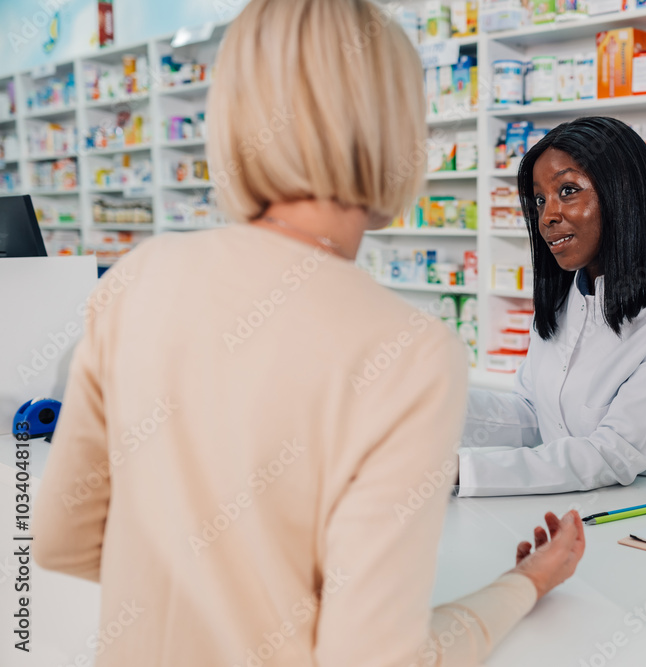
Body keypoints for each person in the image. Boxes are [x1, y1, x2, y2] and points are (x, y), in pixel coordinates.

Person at [32, 0, 584, 664]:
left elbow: (62, 536)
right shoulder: (408, 350)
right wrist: (523, 583)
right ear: (394, 131)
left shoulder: (134, 279)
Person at [457, 117, 646, 497]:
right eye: (540, 199)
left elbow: (612, 453)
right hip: (586, 508)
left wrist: (460, 470)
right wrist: (433, 409)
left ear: (622, 194)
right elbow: (533, 416)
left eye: (567, 190)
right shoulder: (563, 298)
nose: (547, 215)